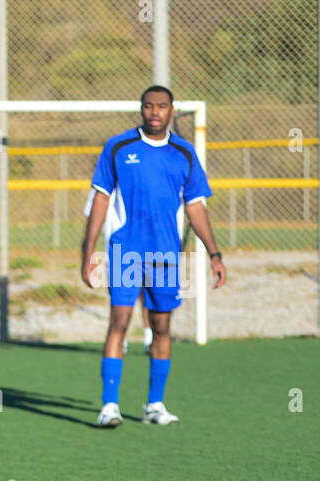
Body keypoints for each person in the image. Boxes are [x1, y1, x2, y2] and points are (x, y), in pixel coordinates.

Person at [81, 84, 226, 427]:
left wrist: (215, 254)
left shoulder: (185, 153)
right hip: (125, 252)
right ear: (141, 109)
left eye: (162, 106)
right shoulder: (118, 147)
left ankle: (154, 405)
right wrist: (88, 252)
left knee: (162, 327)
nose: (155, 112)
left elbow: (195, 206)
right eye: (149, 106)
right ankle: (109, 406)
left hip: (166, 257)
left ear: (172, 110)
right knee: (119, 322)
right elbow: (100, 199)